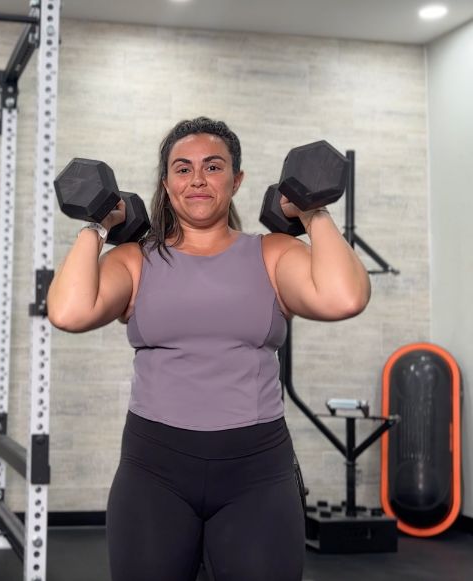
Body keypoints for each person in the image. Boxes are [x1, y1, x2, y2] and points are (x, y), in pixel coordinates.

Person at [47, 117, 371, 581]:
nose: (197, 179)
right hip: (153, 470)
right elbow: (69, 313)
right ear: (166, 183)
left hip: (256, 472)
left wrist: (312, 211)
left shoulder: (273, 253)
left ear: (236, 180)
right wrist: (99, 224)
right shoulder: (136, 259)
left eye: (213, 167)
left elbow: (345, 298)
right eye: (182, 169)